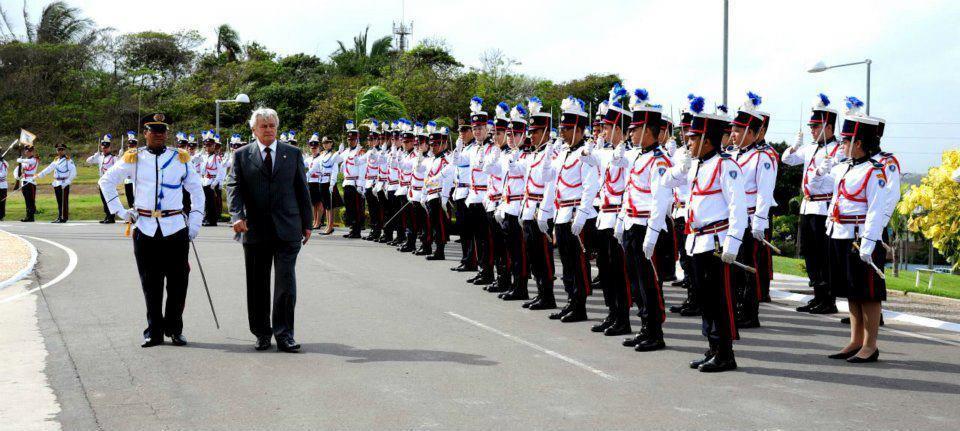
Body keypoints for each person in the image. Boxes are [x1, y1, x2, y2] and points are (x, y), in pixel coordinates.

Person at [98, 113, 205, 347]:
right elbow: (106, 180)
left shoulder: (181, 158)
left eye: (162, 131)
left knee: (178, 282)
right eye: (153, 131)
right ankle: (154, 331)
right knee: (151, 283)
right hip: (145, 228)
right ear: (145, 133)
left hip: (175, 227)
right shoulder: (133, 158)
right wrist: (120, 211)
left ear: (166, 133)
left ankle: (175, 329)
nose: (158, 135)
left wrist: (195, 222)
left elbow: (197, 190)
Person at [662, 96, 748, 372]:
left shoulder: (726, 166)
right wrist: (683, 165)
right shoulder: (697, 164)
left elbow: (738, 208)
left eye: (693, 138)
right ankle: (712, 347)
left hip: (717, 243)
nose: (688, 143)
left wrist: (733, 242)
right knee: (705, 299)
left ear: (707, 140)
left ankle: (725, 352)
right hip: (697, 241)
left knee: (720, 299)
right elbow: (666, 181)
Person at [813, 96, 899, 363]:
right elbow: (820, 190)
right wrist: (820, 172)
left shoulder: (875, 171)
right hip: (840, 234)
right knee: (850, 290)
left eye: (846, 141)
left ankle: (870, 345)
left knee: (868, 293)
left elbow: (876, 208)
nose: (842, 146)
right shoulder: (846, 168)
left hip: (861, 238)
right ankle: (855, 340)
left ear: (858, 143)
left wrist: (870, 242)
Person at [226, 107, 313, 353]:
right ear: (253, 129)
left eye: (272, 125)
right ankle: (262, 333)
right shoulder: (242, 155)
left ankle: (284, 334)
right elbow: (233, 187)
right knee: (257, 284)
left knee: (286, 283)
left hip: (288, 228)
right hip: (254, 229)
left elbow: (301, 189)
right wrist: (236, 215)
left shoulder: (292, 153)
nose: (269, 130)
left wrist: (307, 223)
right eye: (263, 126)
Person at [616, 88, 674, 350]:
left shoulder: (660, 161)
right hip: (631, 225)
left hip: (646, 228)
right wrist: (621, 221)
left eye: (636, 129)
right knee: (636, 281)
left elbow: (659, 202)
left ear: (650, 131)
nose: (631, 134)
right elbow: (628, 190)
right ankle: (644, 326)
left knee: (650, 283)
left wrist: (651, 236)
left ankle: (655, 332)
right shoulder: (638, 156)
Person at [782, 94, 845, 315]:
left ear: (828, 126)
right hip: (808, 206)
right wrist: (794, 146)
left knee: (824, 254)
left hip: (824, 206)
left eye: (816, 126)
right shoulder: (810, 148)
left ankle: (829, 299)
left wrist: (823, 171)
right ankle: (817, 295)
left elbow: (837, 179)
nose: (812, 130)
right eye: (811, 126)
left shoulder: (839, 150)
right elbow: (787, 160)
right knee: (810, 253)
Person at [581, 86, 632, 336]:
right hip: (603, 217)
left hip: (619, 217)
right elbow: (587, 158)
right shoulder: (607, 152)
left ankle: (623, 317)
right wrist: (592, 147)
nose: (604, 131)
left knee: (618, 271)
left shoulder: (631, 155)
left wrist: (623, 157)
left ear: (620, 129)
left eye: (609, 127)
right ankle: (612, 313)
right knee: (606, 270)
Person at [546, 96, 601, 323]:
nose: (562, 132)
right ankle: (570, 300)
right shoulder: (565, 153)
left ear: (579, 129)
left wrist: (582, 214)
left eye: (567, 128)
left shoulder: (584, 154)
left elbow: (590, 187)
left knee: (579, 263)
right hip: (562, 214)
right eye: (562, 127)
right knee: (566, 263)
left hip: (576, 214)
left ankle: (580, 305)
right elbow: (553, 182)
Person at [729, 92, 778, 329]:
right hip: (735, 219)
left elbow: (764, 192)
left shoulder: (763, 157)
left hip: (750, 220)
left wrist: (758, 222)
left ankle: (750, 312)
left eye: (738, 130)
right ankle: (739, 306)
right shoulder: (734, 155)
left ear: (752, 132)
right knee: (736, 266)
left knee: (749, 266)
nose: (733, 134)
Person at [521, 97, 559, 310]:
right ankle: (540, 292)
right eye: (531, 131)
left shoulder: (550, 154)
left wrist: (544, 211)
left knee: (544, 256)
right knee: (533, 254)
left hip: (541, 211)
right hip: (529, 209)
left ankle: (548, 296)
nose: (531, 135)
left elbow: (550, 186)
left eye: (535, 131)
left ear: (545, 131)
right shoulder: (535, 153)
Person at [496, 104, 534, 300]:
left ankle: (522, 287)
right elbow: (500, 179)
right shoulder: (507, 154)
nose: (511, 139)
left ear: (524, 136)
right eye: (509, 135)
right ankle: (514, 284)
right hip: (508, 206)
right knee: (511, 249)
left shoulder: (527, 156)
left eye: (515, 135)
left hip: (520, 207)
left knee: (521, 251)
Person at [449, 120, 478, 272]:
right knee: (463, 229)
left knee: (469, 229)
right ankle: (465, 258)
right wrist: (458, 148)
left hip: (467, 192)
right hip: (459, 192)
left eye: (465, 130)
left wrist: (459, 150)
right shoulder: (465, 148)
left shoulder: (473, 149)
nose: (462, 133)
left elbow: (460, 161)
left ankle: (471, 260)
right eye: (460, 131)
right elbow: (454, 163)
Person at [423, 123, 454, 260]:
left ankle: (440, 251)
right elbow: (426, 178)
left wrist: (445, 197)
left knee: (440, 225)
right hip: (430, 195)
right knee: (434, 224)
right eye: (431, 144)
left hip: (439, 195)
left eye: (436, 144)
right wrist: (424, 194)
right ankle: (437, 249)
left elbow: (446, 179)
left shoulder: (445, 160)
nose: (433, 147)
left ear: (443, 144)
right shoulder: (431, 160)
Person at [36, 143, 78, 223]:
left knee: (63, 201)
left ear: (65, 150)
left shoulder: (68, 160)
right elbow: (49, 168)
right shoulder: (56, 160)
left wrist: (68, 182)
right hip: (57, 182)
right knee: (59, 201)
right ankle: (60, 216)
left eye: (62, 150)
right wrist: (39, 175)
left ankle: (63, 217)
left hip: (64, 182)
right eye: (58, 150)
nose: (60, 151)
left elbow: (73, 172)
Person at [87, 134, 118, 223]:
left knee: (109, 199)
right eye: (103, 147)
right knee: (104, 200)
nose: (104, 149)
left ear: (109, 147)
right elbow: (88, 161)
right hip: (102, 182)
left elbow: (117, 167)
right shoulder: (100, 157)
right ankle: (107, 216)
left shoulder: (113, 158)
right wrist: (95, 155)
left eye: (106, 147)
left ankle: (111, 217)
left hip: (110, 182)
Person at [363, 120, 385, 241]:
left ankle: (378, 230)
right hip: (368, 182)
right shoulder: (368, 152)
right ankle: (373, 229)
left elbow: (382, 168)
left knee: (378, 208)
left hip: (376, 182)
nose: (370, 142)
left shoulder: (381, 152)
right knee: (371, 208)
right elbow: (359, 162)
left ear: (377, 140)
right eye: (369, 140)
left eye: (372, 140)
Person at [200, 131, 226, 226]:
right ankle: (207, 218)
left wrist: (216, 182)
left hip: (213, 182)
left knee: (212, 202)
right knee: (206, 201)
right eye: (206, 145)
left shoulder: (217, 158)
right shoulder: (204, 156)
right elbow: (201, 170)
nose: (207, 147)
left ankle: (212, 220)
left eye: (210, 145)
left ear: (213, 146)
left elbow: (220, 171)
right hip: (205, 181)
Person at [305, 133, 324, 229]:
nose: (314, 149)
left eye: (315, 147)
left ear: (318, 147)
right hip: (310, 182)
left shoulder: (321, 158)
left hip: (318, 181)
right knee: (313, 203)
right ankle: (314, 221)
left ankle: (318, 222)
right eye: (312, 147)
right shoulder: (308, 159)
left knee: (319, 203)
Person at [16, 144, 39, 222]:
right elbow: (21, 169)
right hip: (24, 180)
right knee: (26, 199)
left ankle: (31, 216)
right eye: (27, 150)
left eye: (30, 151)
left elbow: (28, 161)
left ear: (32, 151)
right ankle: (28, 216)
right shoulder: (25, 160)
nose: (28, 152)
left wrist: (20, 160)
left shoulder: (34, 159)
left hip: (30, 181)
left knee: (31, 199)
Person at [123, 131, 139, 207]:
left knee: (137, 196)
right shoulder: (125, 155)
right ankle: (131, 211)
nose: (130, 147)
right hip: (127, 179)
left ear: (135, 146)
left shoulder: (139, 154)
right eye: (129, 146)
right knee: (129, 196)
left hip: (136, 179)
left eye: (132, 146)